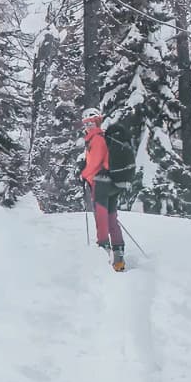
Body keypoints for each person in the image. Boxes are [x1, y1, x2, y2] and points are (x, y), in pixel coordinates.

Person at [80, 107, 126, 271]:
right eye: (86, 124)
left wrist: (83, 174)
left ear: (97, 122)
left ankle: (104, 258)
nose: (88, 126)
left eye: (90, 123)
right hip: (112, 184)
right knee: (112, 219)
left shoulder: (97, 139)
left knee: (102, 220)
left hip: (101, 184)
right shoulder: (102, 138)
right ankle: (119, 258)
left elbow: (95, 164)